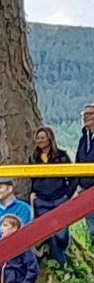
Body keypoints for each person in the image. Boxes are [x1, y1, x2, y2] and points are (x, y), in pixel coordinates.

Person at [29, 126, 76, 273]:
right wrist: (33, 194)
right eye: (38, 138)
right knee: (49, 234)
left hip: (59, 200)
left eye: (43, 137)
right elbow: (30, 178)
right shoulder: (33, 158)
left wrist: (67, 195)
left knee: (61, 235)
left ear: (50, 138)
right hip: (42, 201)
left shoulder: (61, 156)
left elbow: (73, 177)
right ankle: (61, 268)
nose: (40, 141)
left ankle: (62, 261)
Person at [77, 104, 94, 251]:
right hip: (87, 191)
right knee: (92, 230)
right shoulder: (84, 139)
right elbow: (78, 163)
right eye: (84, 114)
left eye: (90, 114)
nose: (86, 117)